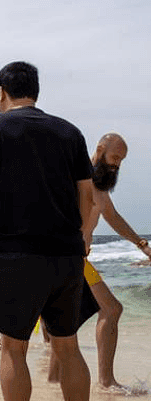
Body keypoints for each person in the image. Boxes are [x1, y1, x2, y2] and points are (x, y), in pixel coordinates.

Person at [0, 61, 95, 401]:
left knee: (13, 349)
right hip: (66, 255)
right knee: (68, 348)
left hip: (15, 253)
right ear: (35, 91)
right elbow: (86, 193)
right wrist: (81, 238)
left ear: (0, 92)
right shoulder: (70, 132)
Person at [46, 133, 151, 390]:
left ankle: (51, 384)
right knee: (111, 309)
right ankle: (106, 382)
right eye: (115, 158)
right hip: (67, 257)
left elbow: (111, 217)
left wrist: (142, 245)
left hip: (69, 258)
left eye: (121, 160)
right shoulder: (81, 178)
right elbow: (109, 217)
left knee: (63, 324)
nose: (117, 165)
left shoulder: (95, 184)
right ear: (100, 149)